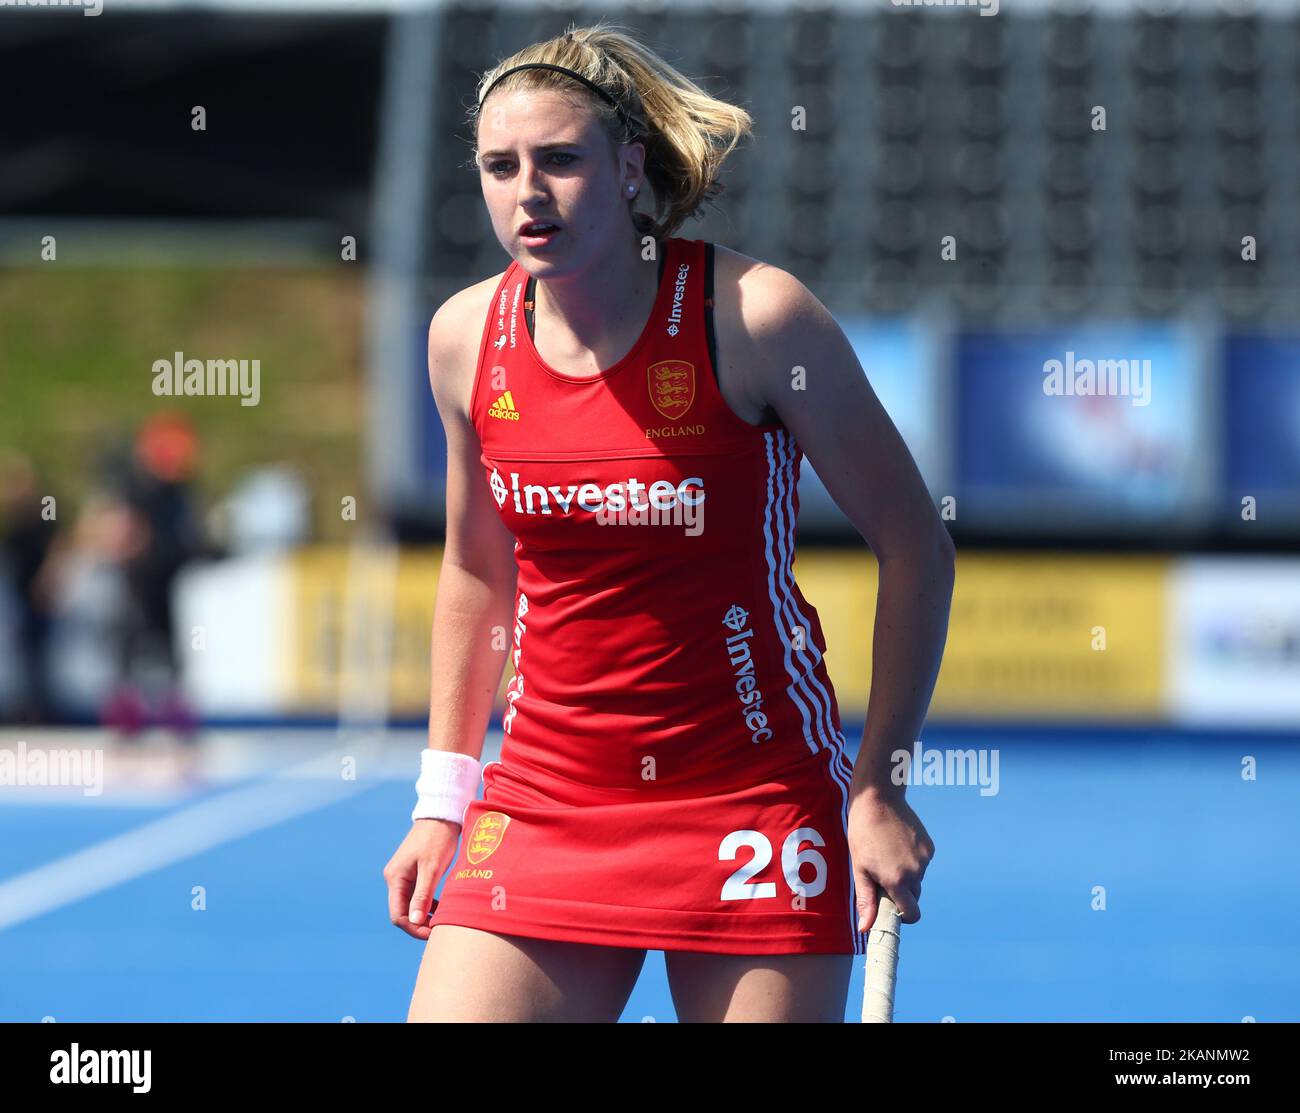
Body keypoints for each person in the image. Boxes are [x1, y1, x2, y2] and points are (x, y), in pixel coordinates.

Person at [384, 21, 954, 1023]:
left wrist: (878, 787)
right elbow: (478, 571)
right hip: (546, 793)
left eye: (559, 160)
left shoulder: (757, 318)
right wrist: (443, 797)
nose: (527, 192)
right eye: (499, 165)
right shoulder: (462, 336)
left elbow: (914, 545)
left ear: (629, 168)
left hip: (751, 793)